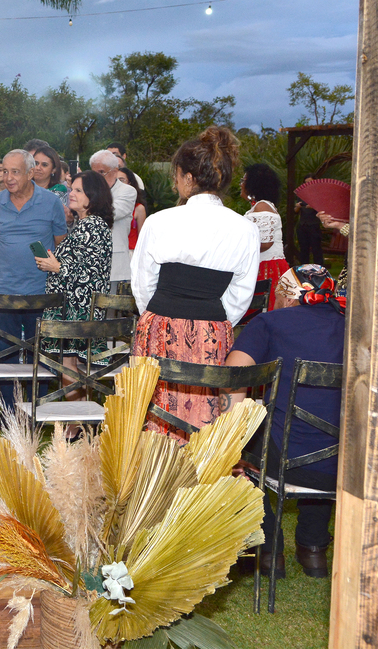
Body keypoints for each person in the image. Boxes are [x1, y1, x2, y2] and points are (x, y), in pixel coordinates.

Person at [130, 126, 259, 436]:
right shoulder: (245, 229)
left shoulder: (160, 221)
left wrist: (160, 315)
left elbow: (142, 283)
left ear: (188, 178)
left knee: (156, 414)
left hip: (159, 328)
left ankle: (152, 476)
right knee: (204, 419)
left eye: (177, 175)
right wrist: (210, 320)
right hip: (211, 335)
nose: (176, 182)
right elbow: (241, 295)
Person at [225, 264, 345, 578]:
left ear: (286, 295)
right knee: (322, 436)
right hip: (346, 466)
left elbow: (233, 377)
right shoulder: (354, 326)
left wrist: (231, 440)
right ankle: (313, 549)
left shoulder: (268, 322)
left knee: (248, 440)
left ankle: (268, 551)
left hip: (283, 460)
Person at [0, 150, 68, 413]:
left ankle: (38, 411)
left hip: (41, 291)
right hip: (6, 290)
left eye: (15, 172)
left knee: (41, 354)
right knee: (6, 353)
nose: (8, 177)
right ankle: (9, 414)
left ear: (30, 173)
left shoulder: (51, 202)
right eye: (4, 171)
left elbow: (61, 244)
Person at [34, 172, 113, 378]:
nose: (71, 194)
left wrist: (57, 267)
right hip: (73, 308)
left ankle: (74, 410)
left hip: (79, 310)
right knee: (69, 364)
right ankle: (73, 409)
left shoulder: (92, 225)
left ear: (93, 195)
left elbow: (91, 274)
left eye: (78, 190)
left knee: (70, 365)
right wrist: (54, 264)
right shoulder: (85, 224)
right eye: (72, 189)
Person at [241, 163, 289, 307]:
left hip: (267, 268)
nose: (241, 184)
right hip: (265, 264)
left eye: (243, 181)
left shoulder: (262, 206)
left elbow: (266, 243)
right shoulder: (261, 206)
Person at [89, 149, 137, 290]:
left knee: (109, 311)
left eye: (101, 172)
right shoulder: (86, 191)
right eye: (93, 173)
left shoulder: (127, 191)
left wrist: (85, 206)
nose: (96, 178)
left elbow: (111, 213)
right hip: (89, 264)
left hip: (114, 267)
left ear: (115, 171)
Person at [121, 167, 147, 251]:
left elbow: (142, 238)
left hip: (132, 252)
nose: (119, 184)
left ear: (130, 183)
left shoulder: (139, 208)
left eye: (122, 180)